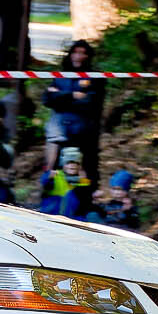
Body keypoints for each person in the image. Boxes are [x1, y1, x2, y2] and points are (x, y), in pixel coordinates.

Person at [43, 39, 107, 173]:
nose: (78, 56)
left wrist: (59, 96)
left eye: (82, 53)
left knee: (83, 171)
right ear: (70, 54)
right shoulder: (60, 76)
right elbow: (47, 99)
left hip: (84, 130)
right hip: (59, 128)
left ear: (88, 56)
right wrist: (72, 95)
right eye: (75, 52)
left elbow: (90, 103)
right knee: (53, 168)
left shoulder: (95, 77)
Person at [37, 146, 96, 218]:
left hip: (73, 217)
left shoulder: (83, 180)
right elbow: (44, 185)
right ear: (62, 164)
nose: (73, 165)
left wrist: (83, 182)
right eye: (68, 162)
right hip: (52, 214)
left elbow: (86, 201)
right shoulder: (54, 175)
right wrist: (49, 179)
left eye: (76, 163)